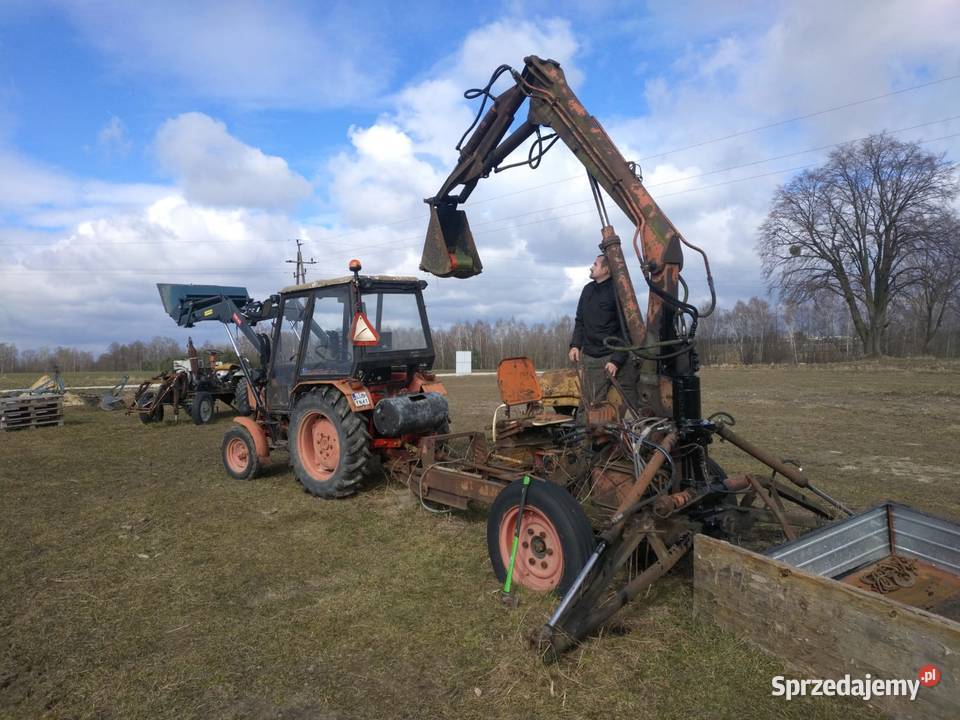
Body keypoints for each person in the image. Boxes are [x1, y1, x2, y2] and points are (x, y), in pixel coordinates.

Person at [568, 253, 634, 406]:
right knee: (589, 406)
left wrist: (616, 361)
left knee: (621, 404)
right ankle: (584, 429)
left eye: (595, 264)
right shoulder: (587, 290)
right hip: (591, 357)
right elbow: (580, 321)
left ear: (606, 269)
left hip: (611, 357)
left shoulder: (618, 292)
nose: (591, 267)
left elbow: (627, 330)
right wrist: (575, 345)